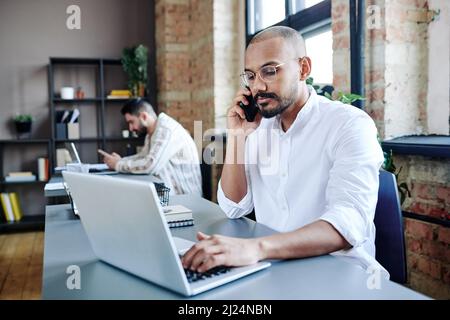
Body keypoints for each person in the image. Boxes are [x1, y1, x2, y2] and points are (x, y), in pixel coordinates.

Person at [181, 26, 386, 276]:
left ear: (304, 69)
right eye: (251, 76)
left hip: (340, 274)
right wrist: (237, 136)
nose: (258, 86)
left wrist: (255, 248)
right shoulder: (257, 127)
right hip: (276, 266)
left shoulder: (349, 124)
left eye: (269, 71)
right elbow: (233, 207)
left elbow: (348, 223)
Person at [99, 99, 202, 195]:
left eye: (131, 122)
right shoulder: (151, 133)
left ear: (144, 116)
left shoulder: (165, 130)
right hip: (171, 195)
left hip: (186, 198)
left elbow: (150, 164)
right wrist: (120, 160)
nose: (130, 128)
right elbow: (143, 156)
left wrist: (118, 164)